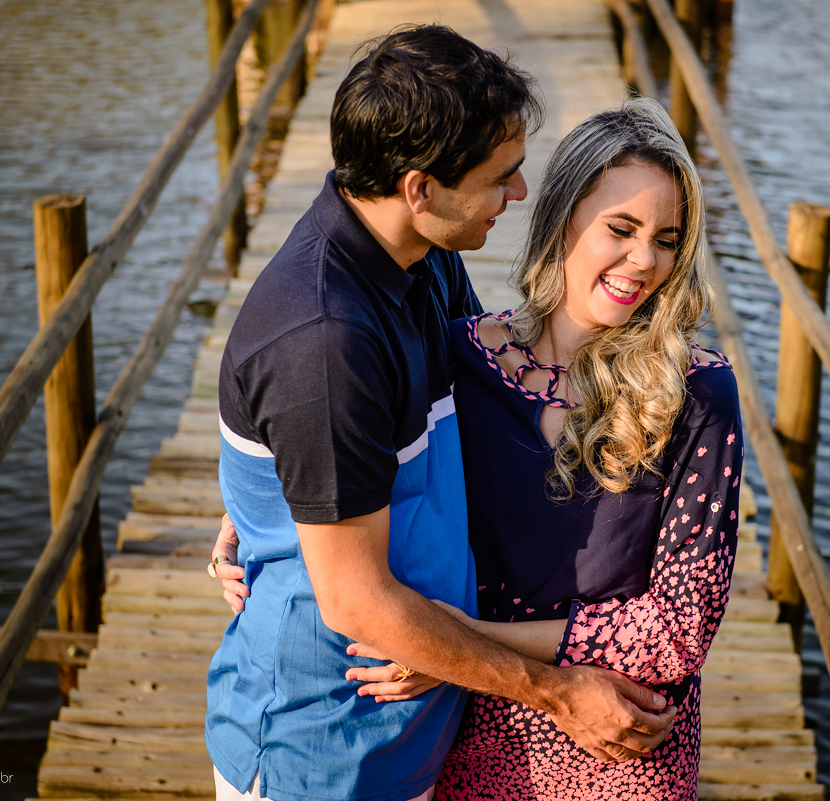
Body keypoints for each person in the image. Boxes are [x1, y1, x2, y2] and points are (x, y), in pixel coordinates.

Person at [218, 97, 745, 800]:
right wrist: (258, 517)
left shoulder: (699, 394)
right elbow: (331, 432)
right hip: (461, 735)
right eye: (621, 227)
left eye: (669, 238)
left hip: (620, 742)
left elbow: (676, 632)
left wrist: (457, 636)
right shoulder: (465, 357)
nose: (644, 260)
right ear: (563, 218)